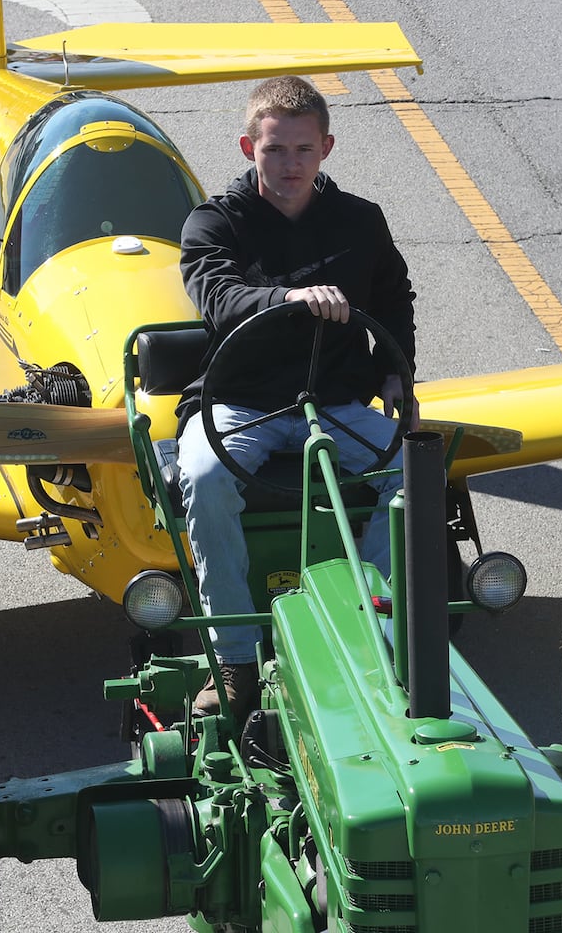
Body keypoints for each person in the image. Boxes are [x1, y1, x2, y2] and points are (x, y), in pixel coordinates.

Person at [175, 75, 417, 718]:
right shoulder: (214, 222)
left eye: (303, 150)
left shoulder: (360, 221)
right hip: (240, 403)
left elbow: (394, 298)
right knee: (200, 472)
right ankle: (232, 659)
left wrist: (397, 371)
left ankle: (371, 627)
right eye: (274, 150)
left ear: (327, 148)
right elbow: (220, 298)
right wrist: (290, 298)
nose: (289, 165)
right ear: (248, 146)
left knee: (416, 471)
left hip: (334, 403)